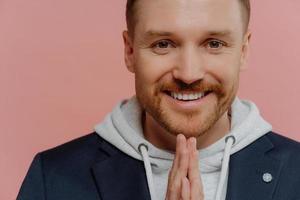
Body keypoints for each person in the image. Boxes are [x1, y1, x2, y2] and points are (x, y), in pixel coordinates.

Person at [17, 0, 300, 199]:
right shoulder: (52, 177)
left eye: (214, 44)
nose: (189, 74)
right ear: (129, 51)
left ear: (243, 51)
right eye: (163, 44)